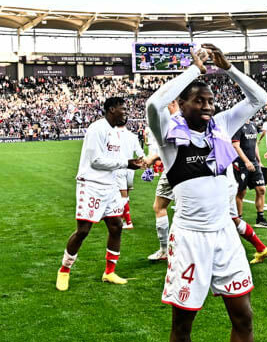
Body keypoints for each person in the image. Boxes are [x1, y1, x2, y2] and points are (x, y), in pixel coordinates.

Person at [147, 44, 267, 342]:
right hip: (190, 240)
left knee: (243, 316)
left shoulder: (221, 128)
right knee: (183, 323)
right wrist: (194, 70)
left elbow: (259, 98)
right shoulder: (169, 136)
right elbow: (154, 104)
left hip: (225, 237)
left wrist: (228, 68)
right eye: (198, 101)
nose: (207, 106)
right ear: (182, 105)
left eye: (210, 101)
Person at [55, 96, 146, 292]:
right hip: (91, 185)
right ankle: (64, 270)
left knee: (116, 226)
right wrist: (126, 163)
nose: (126, 113)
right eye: (123, 109)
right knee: (83, 231)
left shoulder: (115, 133)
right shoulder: (97, 129)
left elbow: (115, 160)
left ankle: (109, 272)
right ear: (112, 109)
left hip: (110, 186)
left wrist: (135, 163)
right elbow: (96, 161)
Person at [146, 101, 179, 262]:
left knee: (159, 207)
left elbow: (169, 145)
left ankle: (165, 250)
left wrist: (151, 158)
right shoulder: (190, 118)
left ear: (173, 103)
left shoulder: (174, 120)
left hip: (174, 167)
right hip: (195, 168)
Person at [231, 119, 267, 228]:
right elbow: (235, 145)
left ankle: (260, 219)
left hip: (254, 163)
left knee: (261, 189)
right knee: (241, 192)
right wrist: (246, 161)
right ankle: (239, 220)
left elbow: (255, 144)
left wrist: (259, 161)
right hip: (241, 164)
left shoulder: (253, 125)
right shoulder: (237, 125)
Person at [116, 124, 145, 229]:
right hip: (131, 169)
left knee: (122, 197)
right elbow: (140, 152)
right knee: (126, 196)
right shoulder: (132, 136)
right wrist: (145, 162)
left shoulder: (113, 135)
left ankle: (128, 222)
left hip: (119, 168)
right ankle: (122, 219)